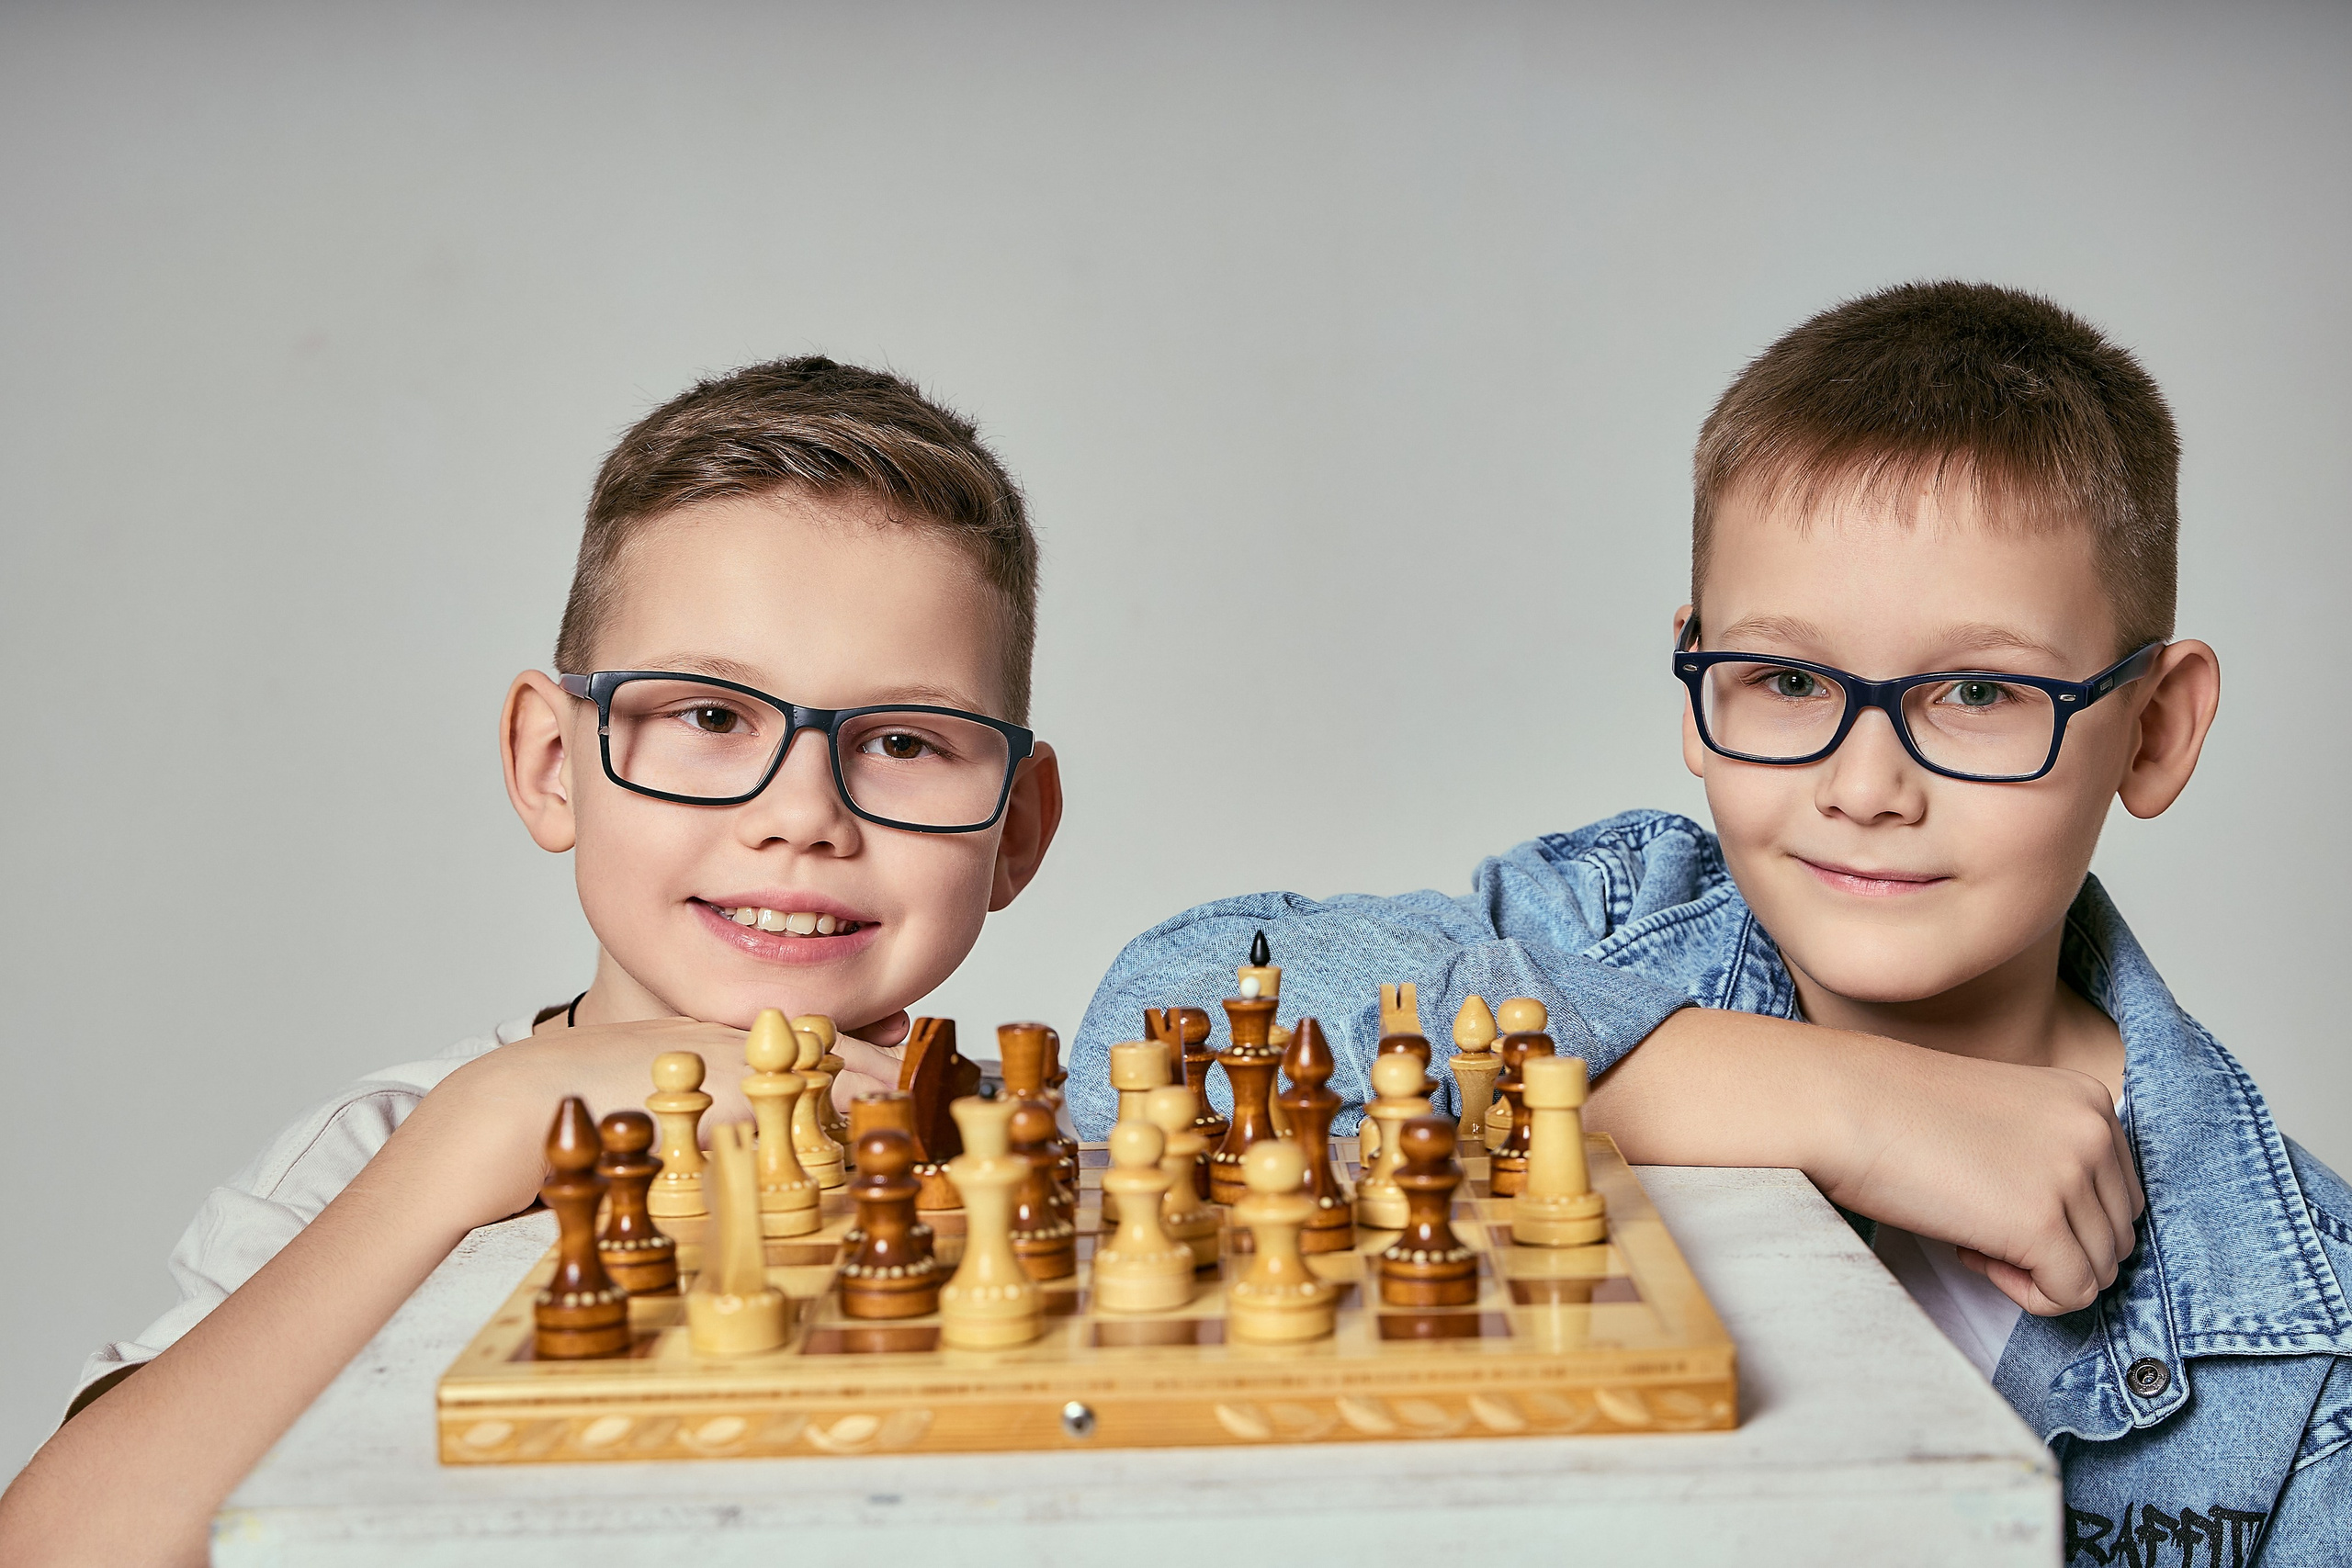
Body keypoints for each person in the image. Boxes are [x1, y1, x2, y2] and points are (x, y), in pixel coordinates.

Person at [1074, 283, 2350, 1557]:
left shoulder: (2312, 1338)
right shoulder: (1609, 926)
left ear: (2158, 728)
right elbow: (1150, 1018)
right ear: (1695, 691)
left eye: (1977, 690)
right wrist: (1842, 1105)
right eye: (1788, 680)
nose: (1864, 788)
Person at [0, 356, 1063, 1566]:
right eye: (711, 718)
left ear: (1017, 828)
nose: (803, 814)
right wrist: (476, 1136)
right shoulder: (383, 1153)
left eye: (907, 740)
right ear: (553, 762)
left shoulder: (1061, 1160)